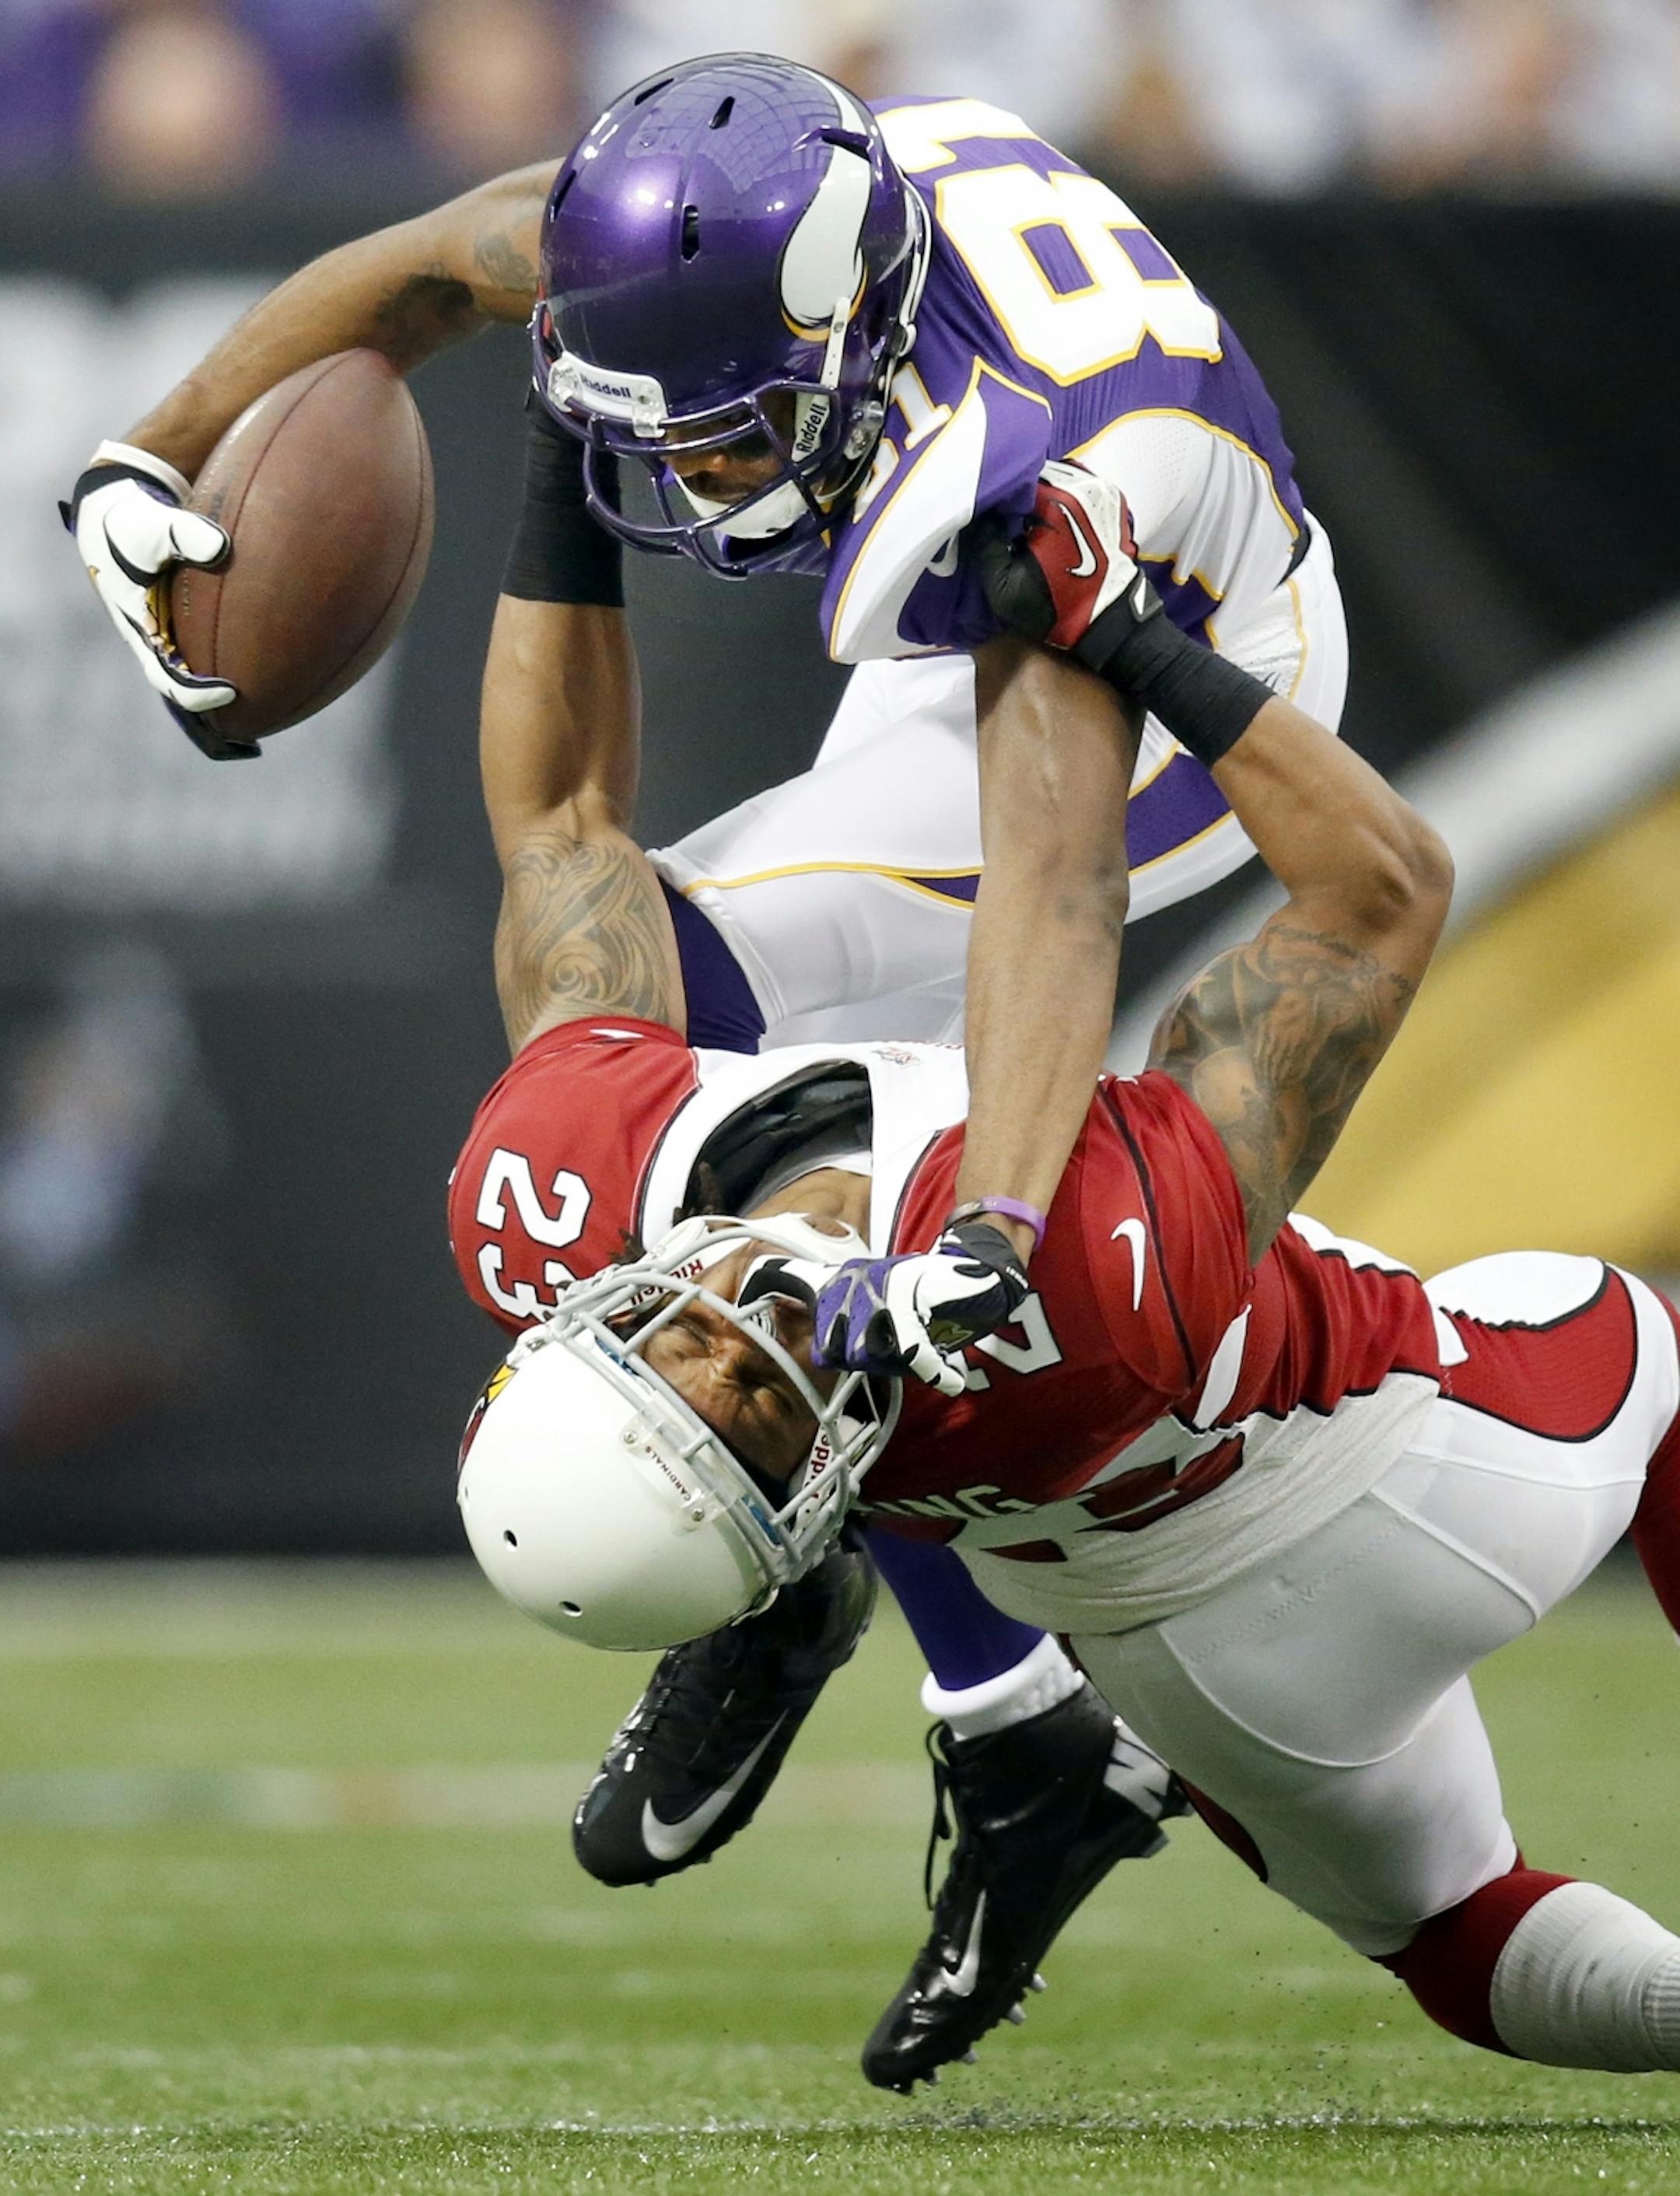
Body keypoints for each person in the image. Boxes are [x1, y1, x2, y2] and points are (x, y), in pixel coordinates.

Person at [61, 50, 1337, 2079]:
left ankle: (963, 1693)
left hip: (1198, 658)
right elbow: (406, 269)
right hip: (950, 656)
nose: (696, 482)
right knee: (664, 1060)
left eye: (734, 438)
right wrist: (155, 451)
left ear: (840, 341)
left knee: (691, 1079)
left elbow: (1054, 888)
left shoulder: (1022, 463)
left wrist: (996, 1221)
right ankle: (1002, 1717)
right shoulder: (698, 246)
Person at [453, 466, 1680, 2089]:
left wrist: (567, 471)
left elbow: (560, 825)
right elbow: (1383, 887)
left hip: (1195, 1680)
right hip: (1407, 1472)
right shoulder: (1072, 1296)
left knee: (1450, 1933)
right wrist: (1137, 640)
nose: (744, 1333)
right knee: (1659, 1356)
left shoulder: (548, 1185)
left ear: (586, 1307)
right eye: (755, 1408)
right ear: (819, 1502)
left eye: (679, 1336)